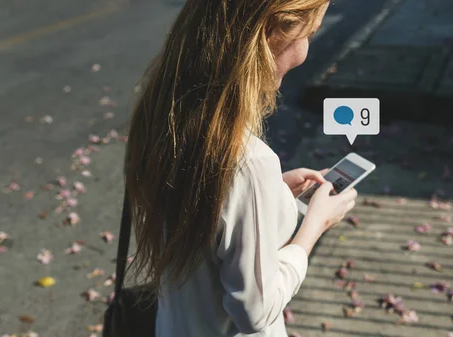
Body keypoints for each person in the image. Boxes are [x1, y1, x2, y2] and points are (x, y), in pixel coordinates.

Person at [124, 1, 358, 336]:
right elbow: (253, 311)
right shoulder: (250, 162)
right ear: (274, 33)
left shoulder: (164, 118)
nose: (307, 47)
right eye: (311, 32)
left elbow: (208, 218)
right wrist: (313, 228)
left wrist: (273, 193)